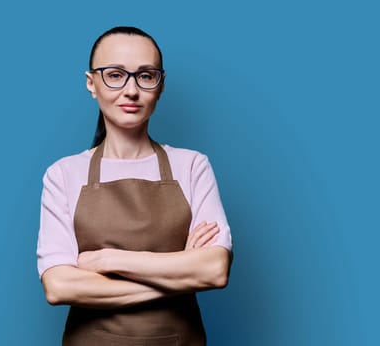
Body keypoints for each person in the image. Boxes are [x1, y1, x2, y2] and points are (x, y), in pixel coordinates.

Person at [36, 26, 233, 345]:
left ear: (161, 85)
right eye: (115, 75)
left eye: (145, 75)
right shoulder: (63, 174)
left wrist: (109, 260)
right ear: (91, 83)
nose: (131, 90)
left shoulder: (193, 165)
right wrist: (179, 273)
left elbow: (214, 270)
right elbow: (59, 287)